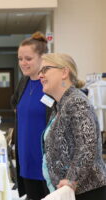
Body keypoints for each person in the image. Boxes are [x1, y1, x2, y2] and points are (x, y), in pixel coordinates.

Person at [39, 53, 106, 200]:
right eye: (39, 72)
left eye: (45, 70)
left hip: (86, 191)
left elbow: (87, 146)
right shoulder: (61, 103)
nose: (40, 76)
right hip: (70, 191)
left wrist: (71, 179)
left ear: (64, 72)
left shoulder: (76, 102)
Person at [10, 31, 50, 200]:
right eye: (20, 59)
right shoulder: (23, 82)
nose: (23, 63)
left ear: (42, 58)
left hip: (46, 163)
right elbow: (15, 104)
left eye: (28, 59)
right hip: (26, 160)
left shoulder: (50, 83)